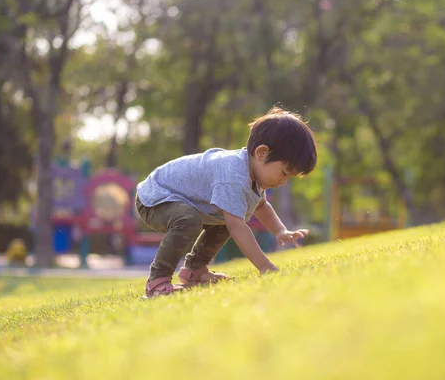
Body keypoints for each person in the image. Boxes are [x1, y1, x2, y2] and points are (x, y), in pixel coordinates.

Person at [135, 107, 318, 298]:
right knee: (194, 220)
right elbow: (237, 227)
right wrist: (265, 266)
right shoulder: (233, 176)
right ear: (262, 153)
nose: (283, 182)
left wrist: (280, 230)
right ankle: (157, 282)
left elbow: (261, 205)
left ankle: (195, 271)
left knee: (226, 218)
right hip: (155, 196)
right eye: (284, 173)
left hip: (177, 199)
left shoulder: (253, 174)